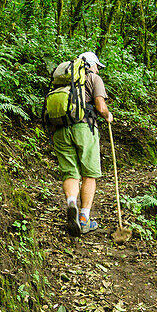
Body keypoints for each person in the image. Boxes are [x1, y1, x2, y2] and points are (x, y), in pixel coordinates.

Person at [50, 51, 113, 236]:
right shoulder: (93, 78)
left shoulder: (63, 79)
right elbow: (100, 106)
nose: (98, 71)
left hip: (61, 129)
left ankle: (71, 203)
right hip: (84, 128)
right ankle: (84, 218)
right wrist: (108, 115)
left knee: (70, 172)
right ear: (92, 65)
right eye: (97, 67)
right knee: (89, 174)